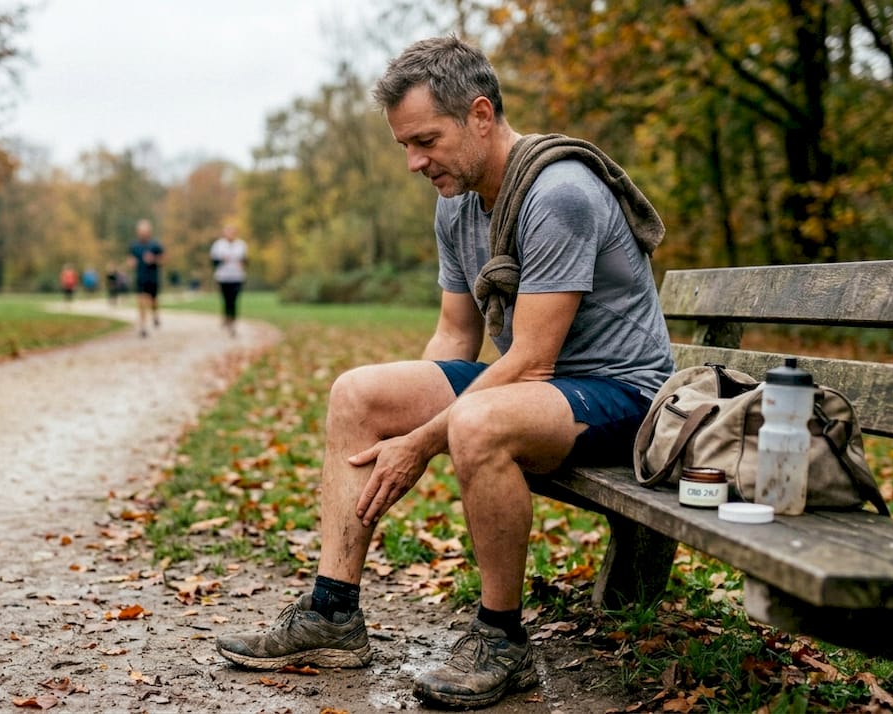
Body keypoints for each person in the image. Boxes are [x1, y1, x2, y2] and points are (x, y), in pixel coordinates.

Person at [214, 35, 674, 709]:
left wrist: (424, 440)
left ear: (481, 116)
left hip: (622, 396)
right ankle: (332, 612)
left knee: (479, 423)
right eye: (404, 144)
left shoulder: (561, 195)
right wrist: (406, 418)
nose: (413, 162)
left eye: (424, 140)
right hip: (542, 388)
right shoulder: (456, 200)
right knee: (359, 393)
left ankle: (502, 640)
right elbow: (456, 335)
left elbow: (530, 359)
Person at [209, 223, 247, 337]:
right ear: (224, 233)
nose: (230, 234)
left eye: (232, 232)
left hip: (237, 276)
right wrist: (222, 260)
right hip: (223, 276)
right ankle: (226, 317)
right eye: (228, 232)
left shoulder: (241, 245)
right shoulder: (218, 245)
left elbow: (246, 260)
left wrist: (243, 264)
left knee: (234, 299)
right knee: (226, 299)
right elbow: (213, 262)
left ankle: (232, 323)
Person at [128, 219, 164, 337]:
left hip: (152, 278)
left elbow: (163, 260)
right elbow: (130, 259)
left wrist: (153, 259)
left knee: (153, 301)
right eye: (140, 231)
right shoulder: (134, 246)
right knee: (141, 302)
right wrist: (131, 263)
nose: (142, 233)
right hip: (141, 278)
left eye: (145, 231)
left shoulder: (155, 245)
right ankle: (143, 327)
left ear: (149, 232)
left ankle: (155, 315)